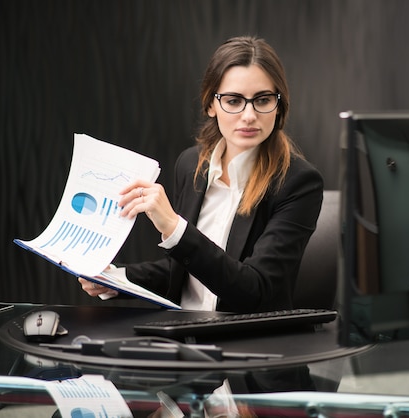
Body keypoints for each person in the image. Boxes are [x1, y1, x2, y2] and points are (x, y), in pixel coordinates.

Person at [78, 35, 324, 313]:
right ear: (211, 105)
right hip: (184, 335)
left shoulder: (299, 182)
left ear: (278, 105)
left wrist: (173, 227)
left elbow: (257, 290)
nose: (249, 115)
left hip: (250, 345)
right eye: (233, 101)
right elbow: (185, 271)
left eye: (263, 100)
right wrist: (116, 279)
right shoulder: (191, 164)